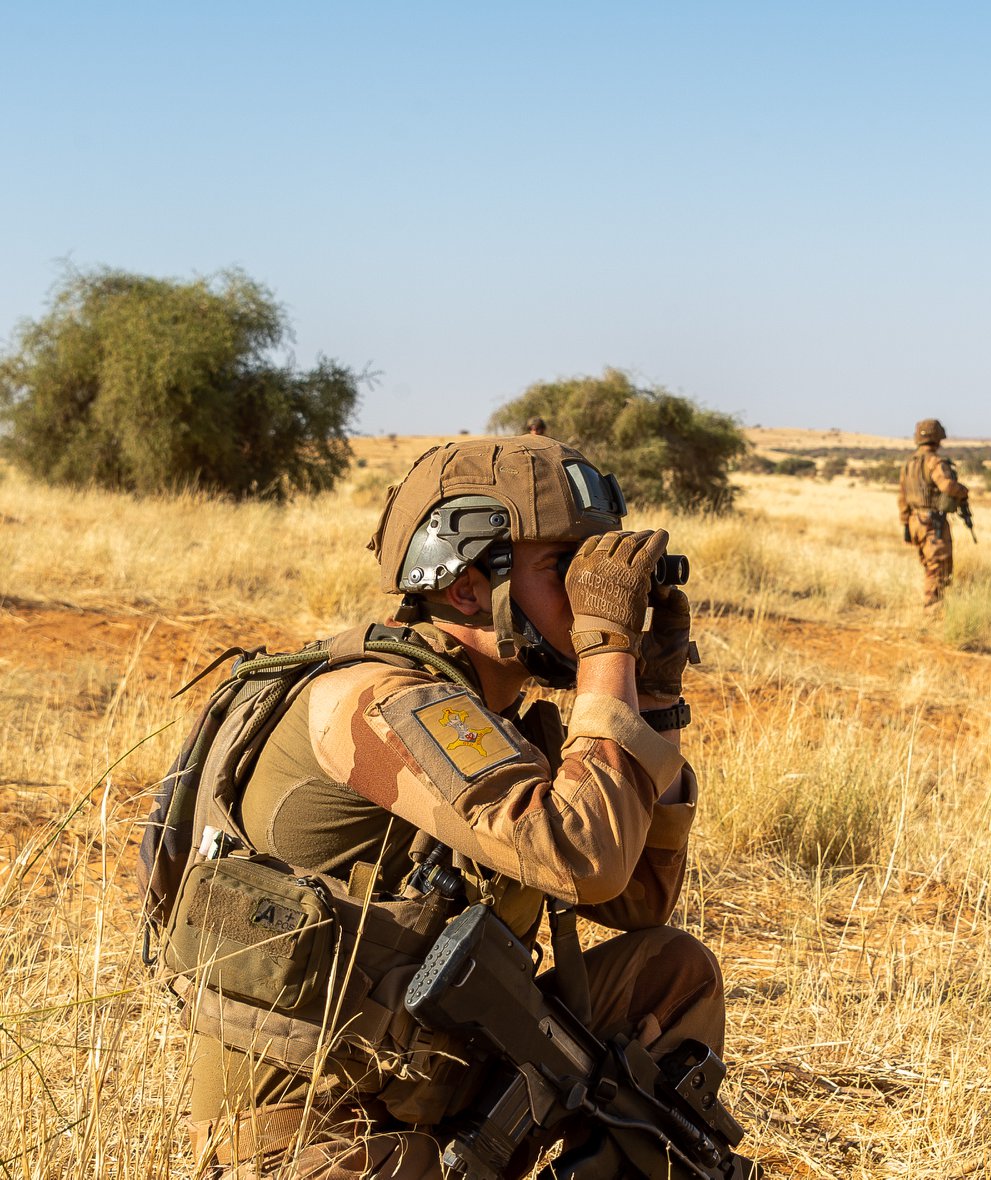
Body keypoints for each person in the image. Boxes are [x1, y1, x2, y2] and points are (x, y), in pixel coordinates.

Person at [181, 435, 721, 1177]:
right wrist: (604, 656)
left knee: (671, 973)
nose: (603, 594)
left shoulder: (488, 712)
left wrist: (650, 694)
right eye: (566, 569)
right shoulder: (379, 701)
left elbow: (636, 901)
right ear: (467, 589)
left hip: (438, 1084)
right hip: (319, 1135)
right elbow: (584, 860)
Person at [895, 418, 970, 608]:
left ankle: (934, 609)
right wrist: (963, 491)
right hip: (932, 524)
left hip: (915, 522)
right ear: (937, 438)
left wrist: (905, 525)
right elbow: (947, 486)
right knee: (938, 569)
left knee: (929, 566)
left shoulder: (909, 465)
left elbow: (902, 498)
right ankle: (932, 613)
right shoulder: (934, 462)